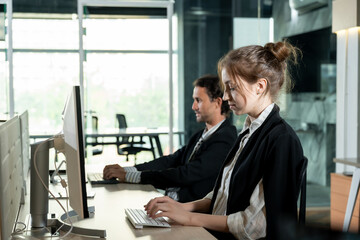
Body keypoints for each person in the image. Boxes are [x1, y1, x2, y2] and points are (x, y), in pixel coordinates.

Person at [143, 41, 305, 239]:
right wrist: (183, 207)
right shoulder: (249, 132)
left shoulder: (281, 140)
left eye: (232, 88)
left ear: (260, 86)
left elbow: (255, 225)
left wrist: (190, 218)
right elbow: (224, 193)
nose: (226, 97)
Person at [103, 74, 237, 203]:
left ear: (217, 103)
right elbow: (170, 161)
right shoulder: (201, 135)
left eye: (199, 100)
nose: (193, 106)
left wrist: (131, 177)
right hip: (172, 203)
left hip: (191, 214)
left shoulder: (225, 139)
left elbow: (185, 174)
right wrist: (128, 170)